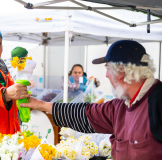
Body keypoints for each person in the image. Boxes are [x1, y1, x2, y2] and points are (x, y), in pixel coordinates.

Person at [21, 40, 162, 159]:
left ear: (121, 71)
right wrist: (42, 105)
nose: (106, 75)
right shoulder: (120, 105)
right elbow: (86, 113)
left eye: (107, 68)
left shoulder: (157, 101)